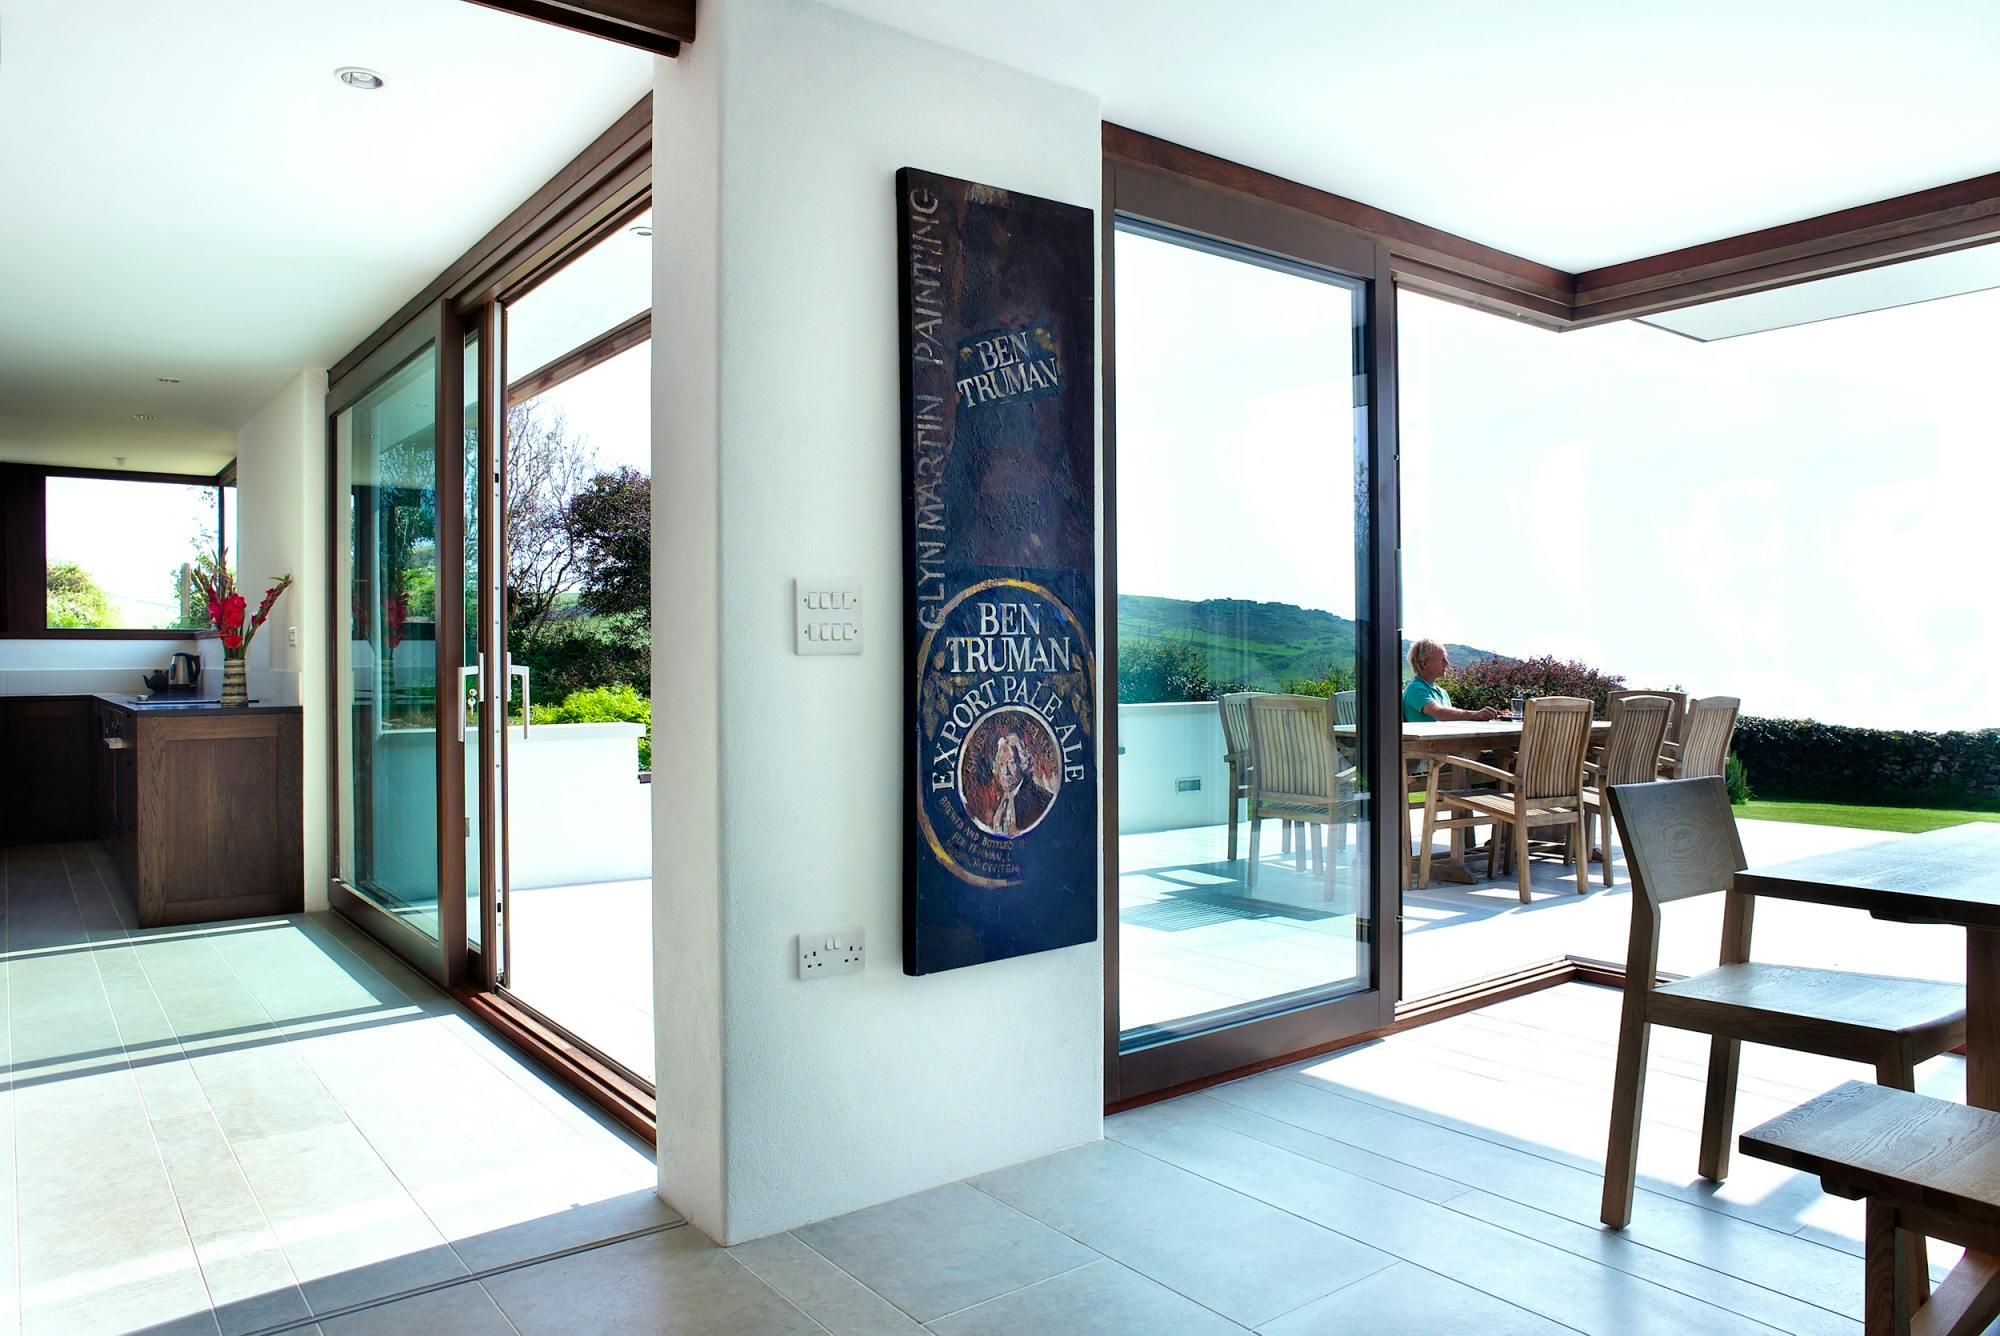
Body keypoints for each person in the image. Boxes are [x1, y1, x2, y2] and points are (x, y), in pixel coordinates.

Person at [1402, 639, 1501, 723]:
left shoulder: (1442, 692)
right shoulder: (1415, 689)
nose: (1447, 663)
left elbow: (1449, 715)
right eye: (1442, 659)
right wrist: (1475, 715)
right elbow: (1439, 713)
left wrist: (1489, 714)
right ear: (1424, 664)